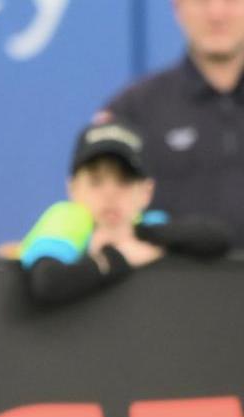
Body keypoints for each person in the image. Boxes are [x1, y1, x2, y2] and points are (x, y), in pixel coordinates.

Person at [21, 122, 230, 304]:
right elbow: (48, 283)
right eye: (96, 181)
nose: (110, 194)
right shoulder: (67, 218)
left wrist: (141, 234)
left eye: (124, 181)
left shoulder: (147, 225)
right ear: (72, 188)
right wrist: (119, 257)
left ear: (146, 192)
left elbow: (216, 238)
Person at [99, 0, 244, 245]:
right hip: (170, 280)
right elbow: (98, 209)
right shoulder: (134, 109)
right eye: (201, 2)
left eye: (231, 0)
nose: (217, 13)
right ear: (178, 8)